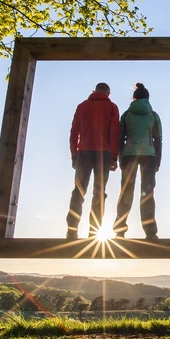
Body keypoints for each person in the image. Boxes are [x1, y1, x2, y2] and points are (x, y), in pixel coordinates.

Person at [66, 82, 120, 240]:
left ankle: (71, 230)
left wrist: (73, 154)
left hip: (83, 152)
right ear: (108, 93)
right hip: (103, 153)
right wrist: (114, 157)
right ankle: (93, 233)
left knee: (78, 191)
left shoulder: (82, 106)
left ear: (94, 91)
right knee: (99, 194)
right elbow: (114, 133)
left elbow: (74, 131)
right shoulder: (112, 107)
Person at [113, 83, 162, 241]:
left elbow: (120, 137)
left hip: (129, 154)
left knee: (126, 191)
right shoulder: (153, 115)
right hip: (149, 155)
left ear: (134, 98)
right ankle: (150, 232)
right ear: (148, 98)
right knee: (147, 194)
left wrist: (120, 157)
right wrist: (158, 161)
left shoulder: (127, 114)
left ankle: (120, 231)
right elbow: (158, 140)